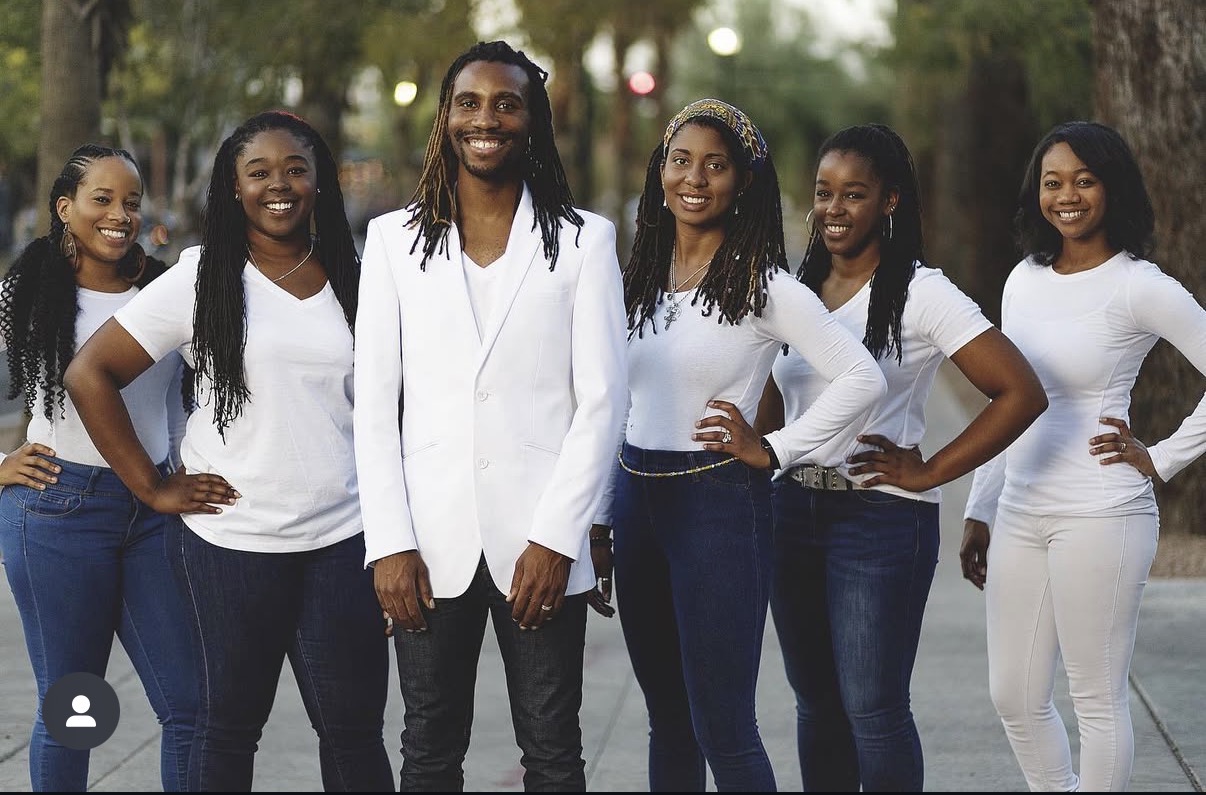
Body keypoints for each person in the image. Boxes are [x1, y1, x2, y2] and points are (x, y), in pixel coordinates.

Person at [63, 111, 394, 792]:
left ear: (320, 182)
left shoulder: (358, 276)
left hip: (344, 538)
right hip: (231, 545)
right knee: (226, 730)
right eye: (259, 172)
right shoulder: (203, 277)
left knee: (355, 733)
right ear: (234, 187)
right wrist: (152, 486)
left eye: (296, 169)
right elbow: (89, 372)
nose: (280, 185)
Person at [353, 41, 627, 792]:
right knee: (428, 750)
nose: (486, 119)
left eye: (507, 104)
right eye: (469, 103)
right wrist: (389, 542)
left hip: (541, 545)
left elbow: (603, 400)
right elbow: (374, 405)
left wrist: (559, 536)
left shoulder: (584, 240)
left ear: (533, 121)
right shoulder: (392, 242)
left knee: (553, 751)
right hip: (425, 546)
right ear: (446, 117)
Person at [592, 99, 887, 792]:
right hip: (637, 502)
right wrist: (601, 518)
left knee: (723, 727)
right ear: (660, 171)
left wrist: (776, 449)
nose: (695, 178)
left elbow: (861, 377)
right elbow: (616, 406)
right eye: (681, 160)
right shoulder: (635, 278)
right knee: (668, 720)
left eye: (716, 165)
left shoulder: (765, 285)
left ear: (744, 181)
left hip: (718, 507)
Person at [757, 123, 1047, 792]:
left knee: (873, 709)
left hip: (879, 520)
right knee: (815, 703)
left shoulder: (921, 292)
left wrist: (931, 470)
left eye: (853, 194)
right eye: (823, 192)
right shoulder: (796, 287)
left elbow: (1021, 392)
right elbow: (774, 404)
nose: (833, 208)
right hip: (790, 513)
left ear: (889, 200)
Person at [961, 121, 1206, 792]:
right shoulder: (1023, 278)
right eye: (1053, 182)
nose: (1066, 196)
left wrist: (1162, 457)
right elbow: (1007, 399)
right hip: (1020, 511)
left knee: (1095, 695)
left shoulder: (1139, 285)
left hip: (1102, 512)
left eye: (1085, 180)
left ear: (1113, 187)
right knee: (1014, 694)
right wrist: (981, 507)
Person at [0, 144, 197, 791]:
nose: (120, 215)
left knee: (192, 705)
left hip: (152, 512)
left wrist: (179, 469)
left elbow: (180, 401)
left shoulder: (166, 291)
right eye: (102, 199)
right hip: (58, 510)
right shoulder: (28, 291)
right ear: (65, 207)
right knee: (74, 708)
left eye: (131, 202)